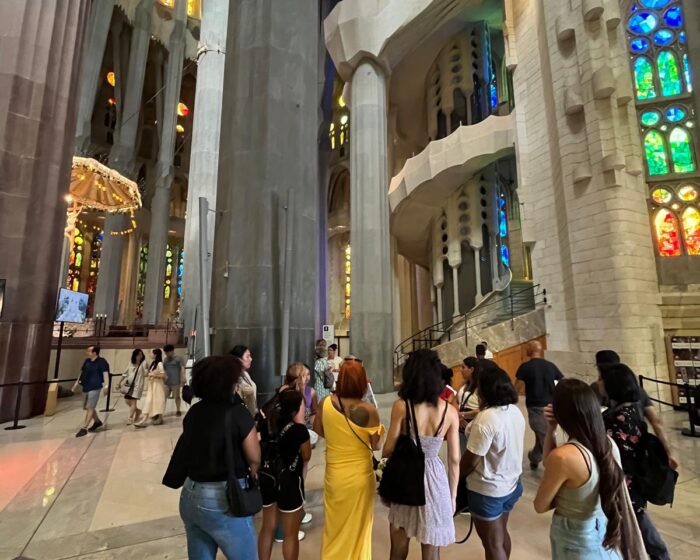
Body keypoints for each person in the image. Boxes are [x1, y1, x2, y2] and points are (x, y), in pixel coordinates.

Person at [165, 355, 260, 560]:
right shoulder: (237, 413)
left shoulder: (194, 411)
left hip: (190, 493)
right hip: (222, 498)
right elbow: (254, 458)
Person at [533, 379, 624, 559]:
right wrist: (551, 430)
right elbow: (549, 462)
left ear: (560, 413)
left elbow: (540, 505)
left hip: (574, 539)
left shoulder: (563, 457)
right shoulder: (608, 444)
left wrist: (561, 496)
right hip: (601, 527)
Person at [383, 349, 459, 559]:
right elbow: (454, 459)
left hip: (406, 477)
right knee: (431, 549)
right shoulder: (450, 411)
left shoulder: (402, 406)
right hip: (434, 480)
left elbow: (388, 449)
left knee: (398, 546)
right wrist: (452, 496)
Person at [313, 359, 384, 559]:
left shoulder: (325, 403)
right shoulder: (368, 410)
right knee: (360, 528)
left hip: (334, 475)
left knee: (334, 527)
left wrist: (337, 437)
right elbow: (376, 445)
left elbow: (318, 430)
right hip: (360, 477)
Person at [601, 363, 671, 560]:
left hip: (624, 484)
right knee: (636, 522)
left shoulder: (615, 420)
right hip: (634, 480)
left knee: (638, 527)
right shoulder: (632, 410)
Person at [460, 366, 525, 560]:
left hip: (487, 489)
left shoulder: (486, 419)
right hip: (511, 484)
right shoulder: (513, 410)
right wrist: (467, 421)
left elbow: (471, 459)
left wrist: (455, 478)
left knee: (492, 543)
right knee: (501, 534)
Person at [595, 349, 678, 470]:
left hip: (622, 463)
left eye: (601, 379)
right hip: (637, 454)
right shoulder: (633, 399)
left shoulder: (615, 417)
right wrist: (669, 453)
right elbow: (656, 421)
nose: (599, 382)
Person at [258, 390, 312, 560]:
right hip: (289, 482)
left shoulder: (267, 425)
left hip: (268, 478)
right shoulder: (299, 430)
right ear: (295, 410)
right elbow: (306, 456)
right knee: (290, 534)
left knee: (267, 527)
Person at [515, 340, 563, 470]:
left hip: (536, 407)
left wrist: (512, 398)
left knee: (544, 436)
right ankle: (536, 458)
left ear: (531, 350)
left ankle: (553, 465)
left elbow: (517, 386)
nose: (525, 350)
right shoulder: (550, 365)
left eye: (527, 348)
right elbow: (561, 381)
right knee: (543, 435)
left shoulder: (525, 367)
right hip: (550, 405)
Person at [71, 345, 110, 437]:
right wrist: (76, 383)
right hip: (86, 386)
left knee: (90, 407)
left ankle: (84, 427)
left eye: (89, 351)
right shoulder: (87, 361)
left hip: (95, 386)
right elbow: (82, 373)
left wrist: (106, 386)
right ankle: (97, 421)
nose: (87, 352)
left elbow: (105, 374)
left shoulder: (102, 362)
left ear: (94, 353)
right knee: (87, 407)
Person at [136, 348, 167, 427]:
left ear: (155, 355)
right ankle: (145, 420)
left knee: (157, 401)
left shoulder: (159, 364)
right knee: (149, 401)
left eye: (152, 353)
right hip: (152, 385)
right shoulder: (153, 363)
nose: (150, 354)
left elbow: (163, 375)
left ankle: (155, 418)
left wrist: (153, 375)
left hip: (158, 386)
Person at [455, 356, 481, 452]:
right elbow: (456, 400)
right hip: (461, 424)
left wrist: (463, 415)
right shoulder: (463, 383)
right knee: (463, 452)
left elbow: (483, 409)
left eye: (463, 367)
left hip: (474, 423)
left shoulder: (480, 386)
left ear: (471, 369)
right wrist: (459, 417)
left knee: (474, 453)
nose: (461, 370)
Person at [122, 348, 147, 425]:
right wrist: (119, 382)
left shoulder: (144, 363)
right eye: (138, 354)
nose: (140, 356)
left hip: (137, 385)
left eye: (141, 354)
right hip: (129, 384)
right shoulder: (131, 363)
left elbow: (146, 373)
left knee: (133, 401)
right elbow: (125, 372)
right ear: (135, 355)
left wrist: (146, 370)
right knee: (127, 400)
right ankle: (138, 411)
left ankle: (130, 418)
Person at [230, 345, 257, 414]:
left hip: (252, 414)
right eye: (247, 356)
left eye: (250, 356)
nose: (251, 359)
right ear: (238, 359)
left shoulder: (245, 374)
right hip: (241, 415)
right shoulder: (233, 377)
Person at [163, 344, 186, 417]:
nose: (166, 354)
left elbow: (182, 368)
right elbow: (164, 369)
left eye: (167, 352)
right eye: (165, 353)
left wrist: (183, 377)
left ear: (172, 351)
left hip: (176, 382)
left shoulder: (179, 359)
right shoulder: (165, 359)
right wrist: (164, 376)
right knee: (163, 397)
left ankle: (178, 410)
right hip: (166, 383)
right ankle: (161, 411)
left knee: (177, 397)